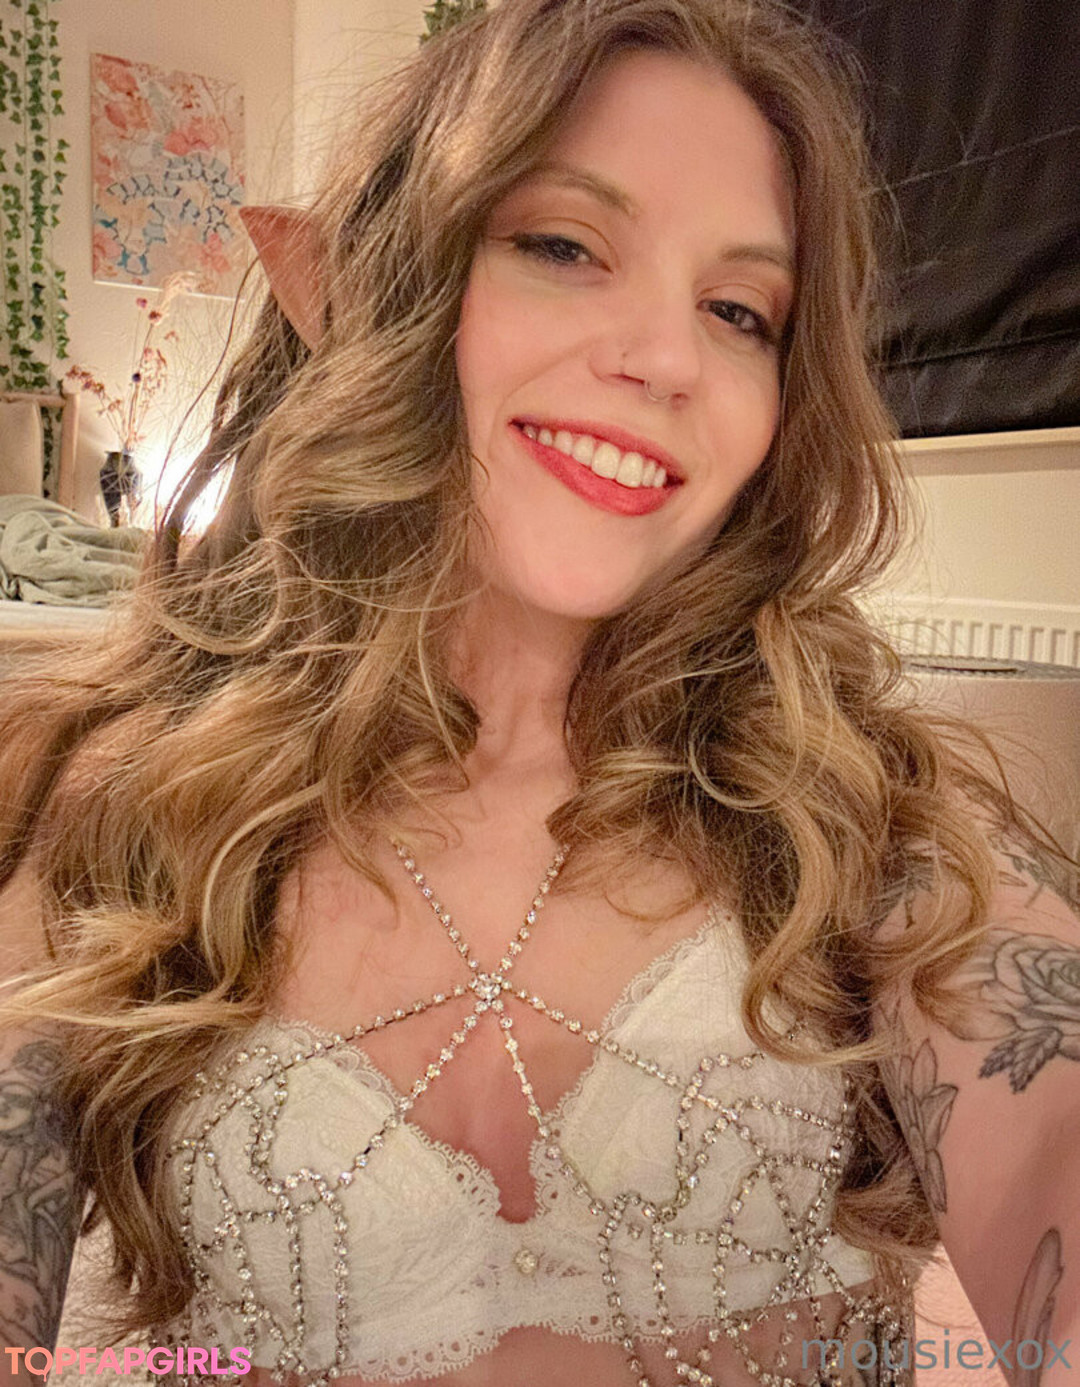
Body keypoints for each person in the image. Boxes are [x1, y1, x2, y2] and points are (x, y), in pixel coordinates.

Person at [1, 1, 1077, 1384]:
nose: (668, 359)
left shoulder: (875, 833)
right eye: (565, 245)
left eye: (739, 312)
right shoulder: (107, 796)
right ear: (387, 280)